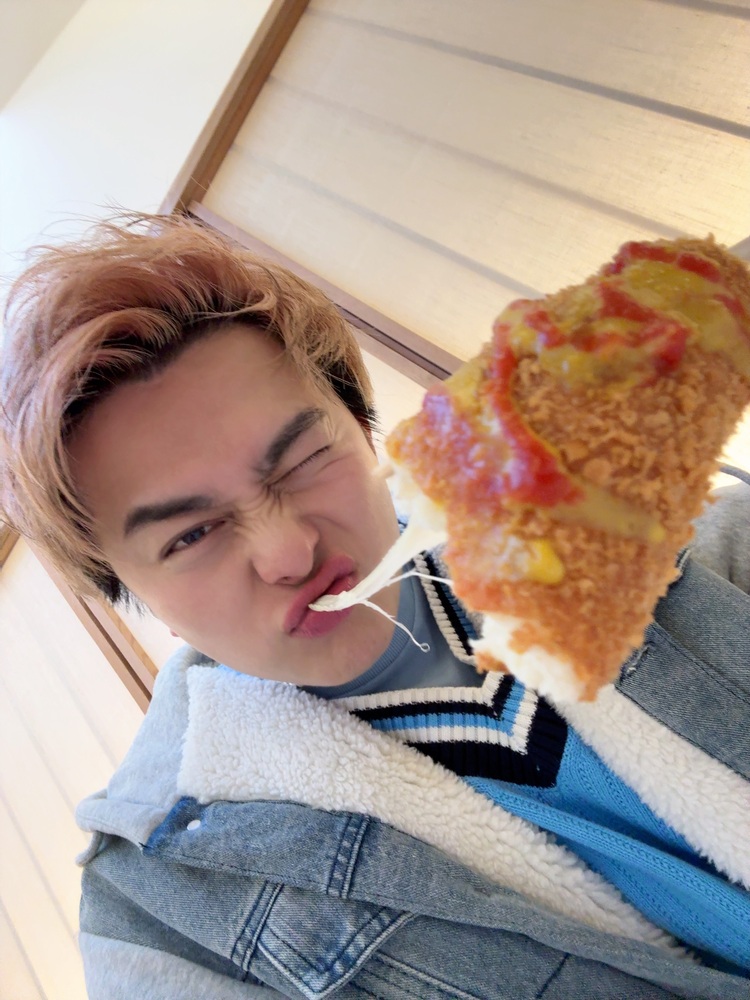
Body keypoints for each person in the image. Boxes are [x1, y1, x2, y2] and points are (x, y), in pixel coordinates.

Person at [1, 214, 748, 1000]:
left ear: (363, 432)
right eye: (192, 535)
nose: (289, 553)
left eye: (301, 460)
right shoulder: (160, 911)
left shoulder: (647, 533)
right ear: (129, 590)